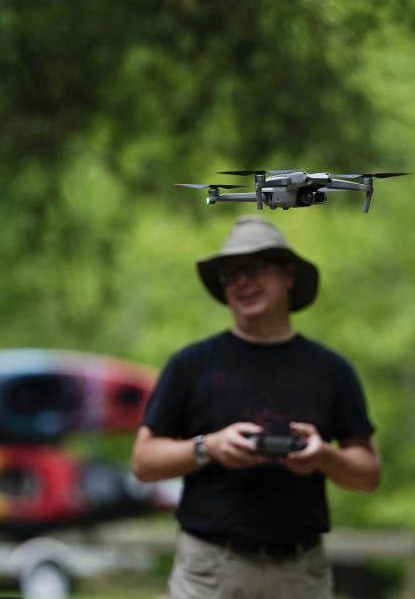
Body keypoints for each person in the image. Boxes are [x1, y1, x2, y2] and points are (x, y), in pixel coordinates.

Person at [131, 215, 382, 599]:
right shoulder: (190, 364)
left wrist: (323, 457)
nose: (242, 282)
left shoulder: (331, 370)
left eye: (255, 269)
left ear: (289, 276)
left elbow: (368, 476)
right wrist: (207, 447)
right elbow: (144, 462)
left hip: (301, 573)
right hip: (209, 571)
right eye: (230, 274)